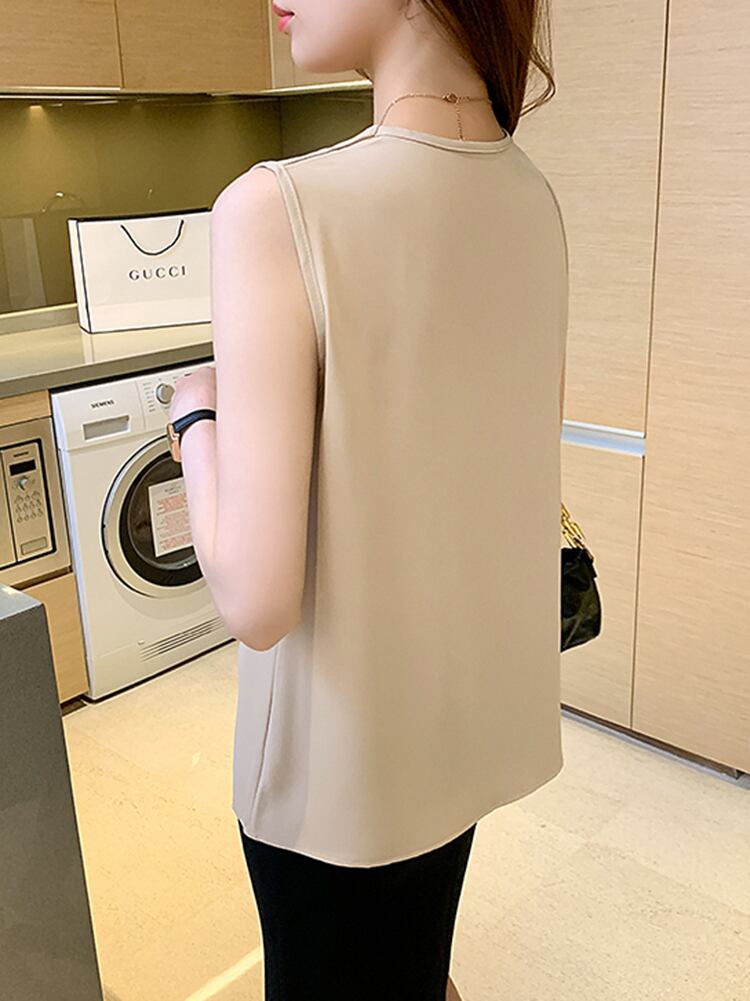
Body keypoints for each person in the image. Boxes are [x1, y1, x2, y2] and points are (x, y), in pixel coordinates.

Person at [169, 1, 568, 998]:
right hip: (454, 729)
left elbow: (257, 601)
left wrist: (194, 421)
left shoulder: (276, 208)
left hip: (336, 774)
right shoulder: (530, 196)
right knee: (412, 961)